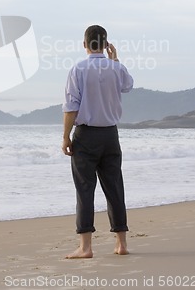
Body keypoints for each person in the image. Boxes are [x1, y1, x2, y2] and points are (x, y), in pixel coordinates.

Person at [62, 24, 134, 259]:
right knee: (115, 187)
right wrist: (116, 60)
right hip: (111, 135)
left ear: (84, 44)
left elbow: (71, 107)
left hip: (86, 135)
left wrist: (65, 137)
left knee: (85, 189)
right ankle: (121, 243)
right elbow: (128, 86)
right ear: (106, 44)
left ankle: (85, 247)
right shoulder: (116, 68)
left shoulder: (78, 69)